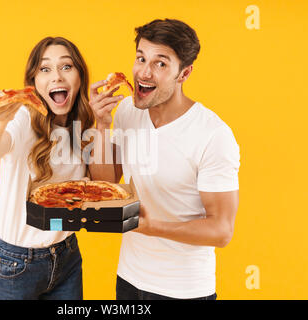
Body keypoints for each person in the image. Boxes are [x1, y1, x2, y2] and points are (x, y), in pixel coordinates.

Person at [88, 19, 240, 300]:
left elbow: (221, 230)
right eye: (141, 58)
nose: (144, 72)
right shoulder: (126, 111)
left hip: (183, 290)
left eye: (161, 63)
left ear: (184, 73)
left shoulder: (213, 134)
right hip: (129, 279)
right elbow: (106, 183)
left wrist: (149, 226)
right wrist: (100, 125)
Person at [0, 37, 94, 300]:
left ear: (80, 76)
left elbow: (95, 188)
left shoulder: (83, 124)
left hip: (67, 253)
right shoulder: (23, 119)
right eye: (45, 69)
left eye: (67, 67)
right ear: (34, 82)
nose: (57, 77)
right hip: (17, 262)